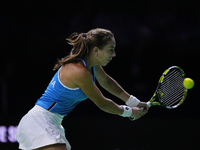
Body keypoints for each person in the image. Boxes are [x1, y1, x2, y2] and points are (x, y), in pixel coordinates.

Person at [16, 28, 149, 150]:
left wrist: (133, 102)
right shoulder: (80, 71)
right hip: (39, 121)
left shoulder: (92, 64)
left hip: (51, 121)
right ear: (96, 50)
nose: (114, 54)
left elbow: (107, 82)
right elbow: (102, 103)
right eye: (110, 49)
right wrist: (129, 112)